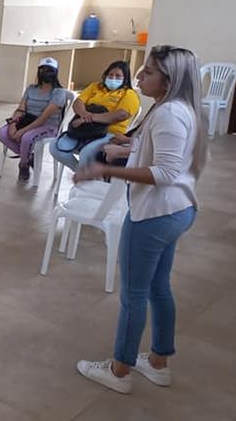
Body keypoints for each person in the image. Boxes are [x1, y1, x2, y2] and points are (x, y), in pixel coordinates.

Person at [73, 45, 208, 395]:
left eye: (148, 72)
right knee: (158, 287)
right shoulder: (178, 108)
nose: (139, 76)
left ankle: (119, 371)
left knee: (134, 294)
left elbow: (164, 172)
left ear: (169, 80)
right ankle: (159, 362)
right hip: (178, 210)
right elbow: (165, 155)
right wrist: (127, 149)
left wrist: (105, 170)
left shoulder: (169, 113)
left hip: (155, 215)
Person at [49, 61, 140, 172]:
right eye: (110, 75)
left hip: (108, 133)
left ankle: (83, 176)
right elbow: (78, 102)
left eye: (118, 76)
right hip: (84, 129)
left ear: (125, 78)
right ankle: (81, 172)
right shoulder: (95, 87)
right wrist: (84, 114)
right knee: (55, 147)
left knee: (86, 154)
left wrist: (90, 118)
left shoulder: (129, 94)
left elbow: (120, 115)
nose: (113, 78)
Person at [0, 57, 68, 181]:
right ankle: (29, 157)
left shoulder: (59, 92)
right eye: (43, 69)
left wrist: (21, 131)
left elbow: (43, 118)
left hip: (48, 125)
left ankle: (23, 165)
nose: (46, 73)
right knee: (2, 133)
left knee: (26, 138)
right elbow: (20, 109)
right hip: (26, 120)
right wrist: (13, 124)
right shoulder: (31, 88)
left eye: (50, 70)